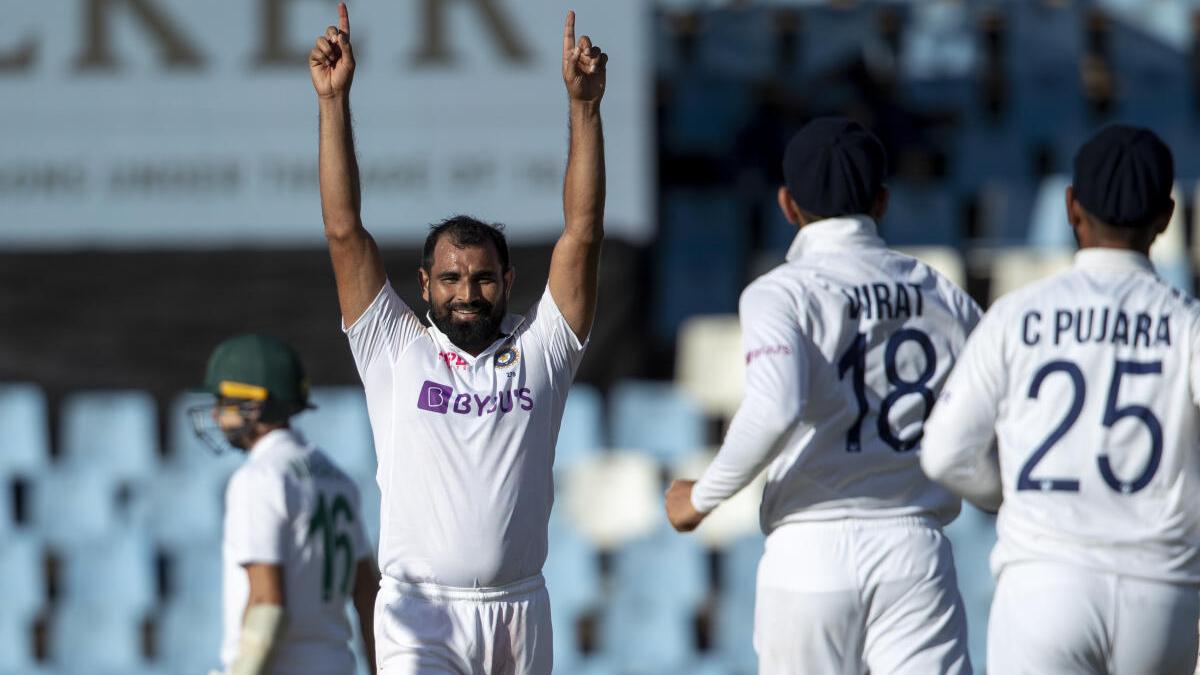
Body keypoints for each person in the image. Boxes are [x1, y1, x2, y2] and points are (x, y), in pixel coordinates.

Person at [309, 4, 606, 673]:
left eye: (482, 279)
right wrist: (333, 102)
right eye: (450, 278)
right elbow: (343, 229)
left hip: (520, 609)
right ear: (423, 283)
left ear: (508, 279)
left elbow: (583, 233)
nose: (467, 293)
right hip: (420, 610)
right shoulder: (393, 346)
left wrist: (584, 108)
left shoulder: (543, 351)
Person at [665, 118, 979, 674]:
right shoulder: (941, 291)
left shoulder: (780, 292)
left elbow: (774, 406)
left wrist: (702, 497)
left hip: (811, 551)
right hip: (915, 547)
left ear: (787, 205)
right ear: (881, 201)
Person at [922, 124, 1200, 674]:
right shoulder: (1187, 324)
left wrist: (1009, 495)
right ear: (1166, 219)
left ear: (1072, 208)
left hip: (1045, 585)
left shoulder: (1014, 316)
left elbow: (942, 454)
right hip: (1160, 591)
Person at [192, 333, 378, 675]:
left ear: (255, 404)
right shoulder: (338, 478)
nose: (217, 414)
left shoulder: (258, 478)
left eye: (224, 401)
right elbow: (368, 595)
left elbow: (267, 604)